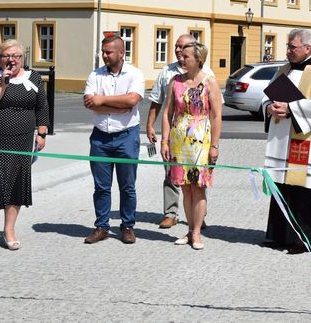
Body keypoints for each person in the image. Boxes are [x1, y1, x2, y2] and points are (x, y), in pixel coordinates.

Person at [262, 29, 311, 254]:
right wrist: (270, 107)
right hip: (283, 141)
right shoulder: (283, 70)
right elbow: (266, 96)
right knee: (283, 186)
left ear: (308, 48)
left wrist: (290, 108)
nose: (288, 51)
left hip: (306, 142)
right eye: (288, 46)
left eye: (292, 47)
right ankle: (280, 235)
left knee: (305, 189)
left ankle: (307, 239)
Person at [0, 40, 49, 252]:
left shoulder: (33, 77)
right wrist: (3, 83)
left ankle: (9, 230)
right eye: (7, 55)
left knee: (16, 182)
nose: (11, 60)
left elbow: (42, 106)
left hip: (22, 139)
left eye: (16, 56)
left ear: (22, 58)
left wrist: (42, 133)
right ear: (0, 58)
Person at [147, 34, 215, 229]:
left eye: (182, 47)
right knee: (172, 175)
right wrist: (150, 125)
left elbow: (214, 112)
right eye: (176, 46)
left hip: (199, 139)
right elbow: (158, 102)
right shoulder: (167, 72)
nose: (178, 50)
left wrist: (213, 142)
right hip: (176, 135)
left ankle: (197, 217)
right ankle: (170, 213)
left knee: (197, 180)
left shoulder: (207, 74)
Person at [83, 34, 145, 245]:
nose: (105, 56)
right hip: (100, 137)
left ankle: (128, 226)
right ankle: (102, 226)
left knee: (127, 186)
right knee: (101, 186)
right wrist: (119, 107)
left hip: (126, 136)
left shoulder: (134, 74)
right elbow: (89, 102)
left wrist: (102, 100)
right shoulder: (95, 74)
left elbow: (132, 100)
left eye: (109, 52)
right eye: (103, 52)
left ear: (121, 53)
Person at [160, 42, 222, 250]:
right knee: (185, 187)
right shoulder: (175, 81)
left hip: (201, 141)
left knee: (199, 188)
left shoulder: (210, 82)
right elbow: (167, 113)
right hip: (179, 141)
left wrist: (215, 145)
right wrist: (165, 141)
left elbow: (216, 116)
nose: (181, 58)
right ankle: (189, 230)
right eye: (181, 55)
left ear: (198, 59)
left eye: (186, 56)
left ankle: (196, 232)